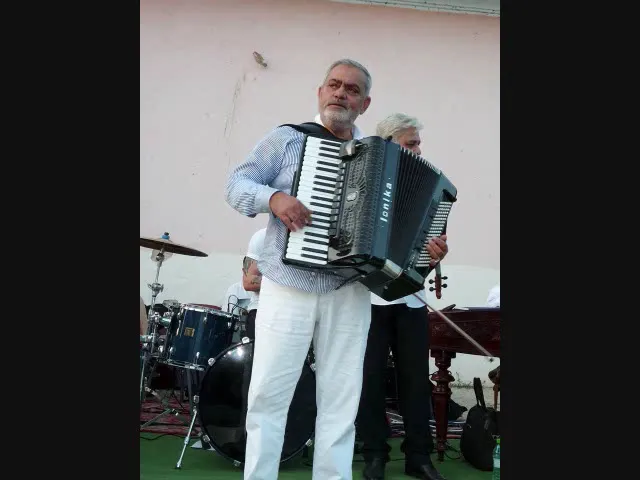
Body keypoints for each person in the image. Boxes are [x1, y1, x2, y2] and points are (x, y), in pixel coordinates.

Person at [225, 58, 373, 480]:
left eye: (352, 89)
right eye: (334, 84)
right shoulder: (287, 139)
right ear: (320, 92)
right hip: (289, 284)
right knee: (269, 393)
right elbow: (236, 185)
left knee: (342, 400)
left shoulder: (378, 157)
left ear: (364, 104)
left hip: (349, 288)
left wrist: (422, 249)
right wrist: (273, 199)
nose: (341, 93)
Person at [357, 114, 448, 480]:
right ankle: (374, 455)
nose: (418, 150)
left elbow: (434, 242)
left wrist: (436, 253)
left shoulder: (432, 187)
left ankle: (418, 457)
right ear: (391, 144)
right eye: (411, 143)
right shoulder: (364, 181)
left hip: (410, 298)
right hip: (368, 298)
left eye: (418, 143)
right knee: (370, 380)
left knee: (415, 380)